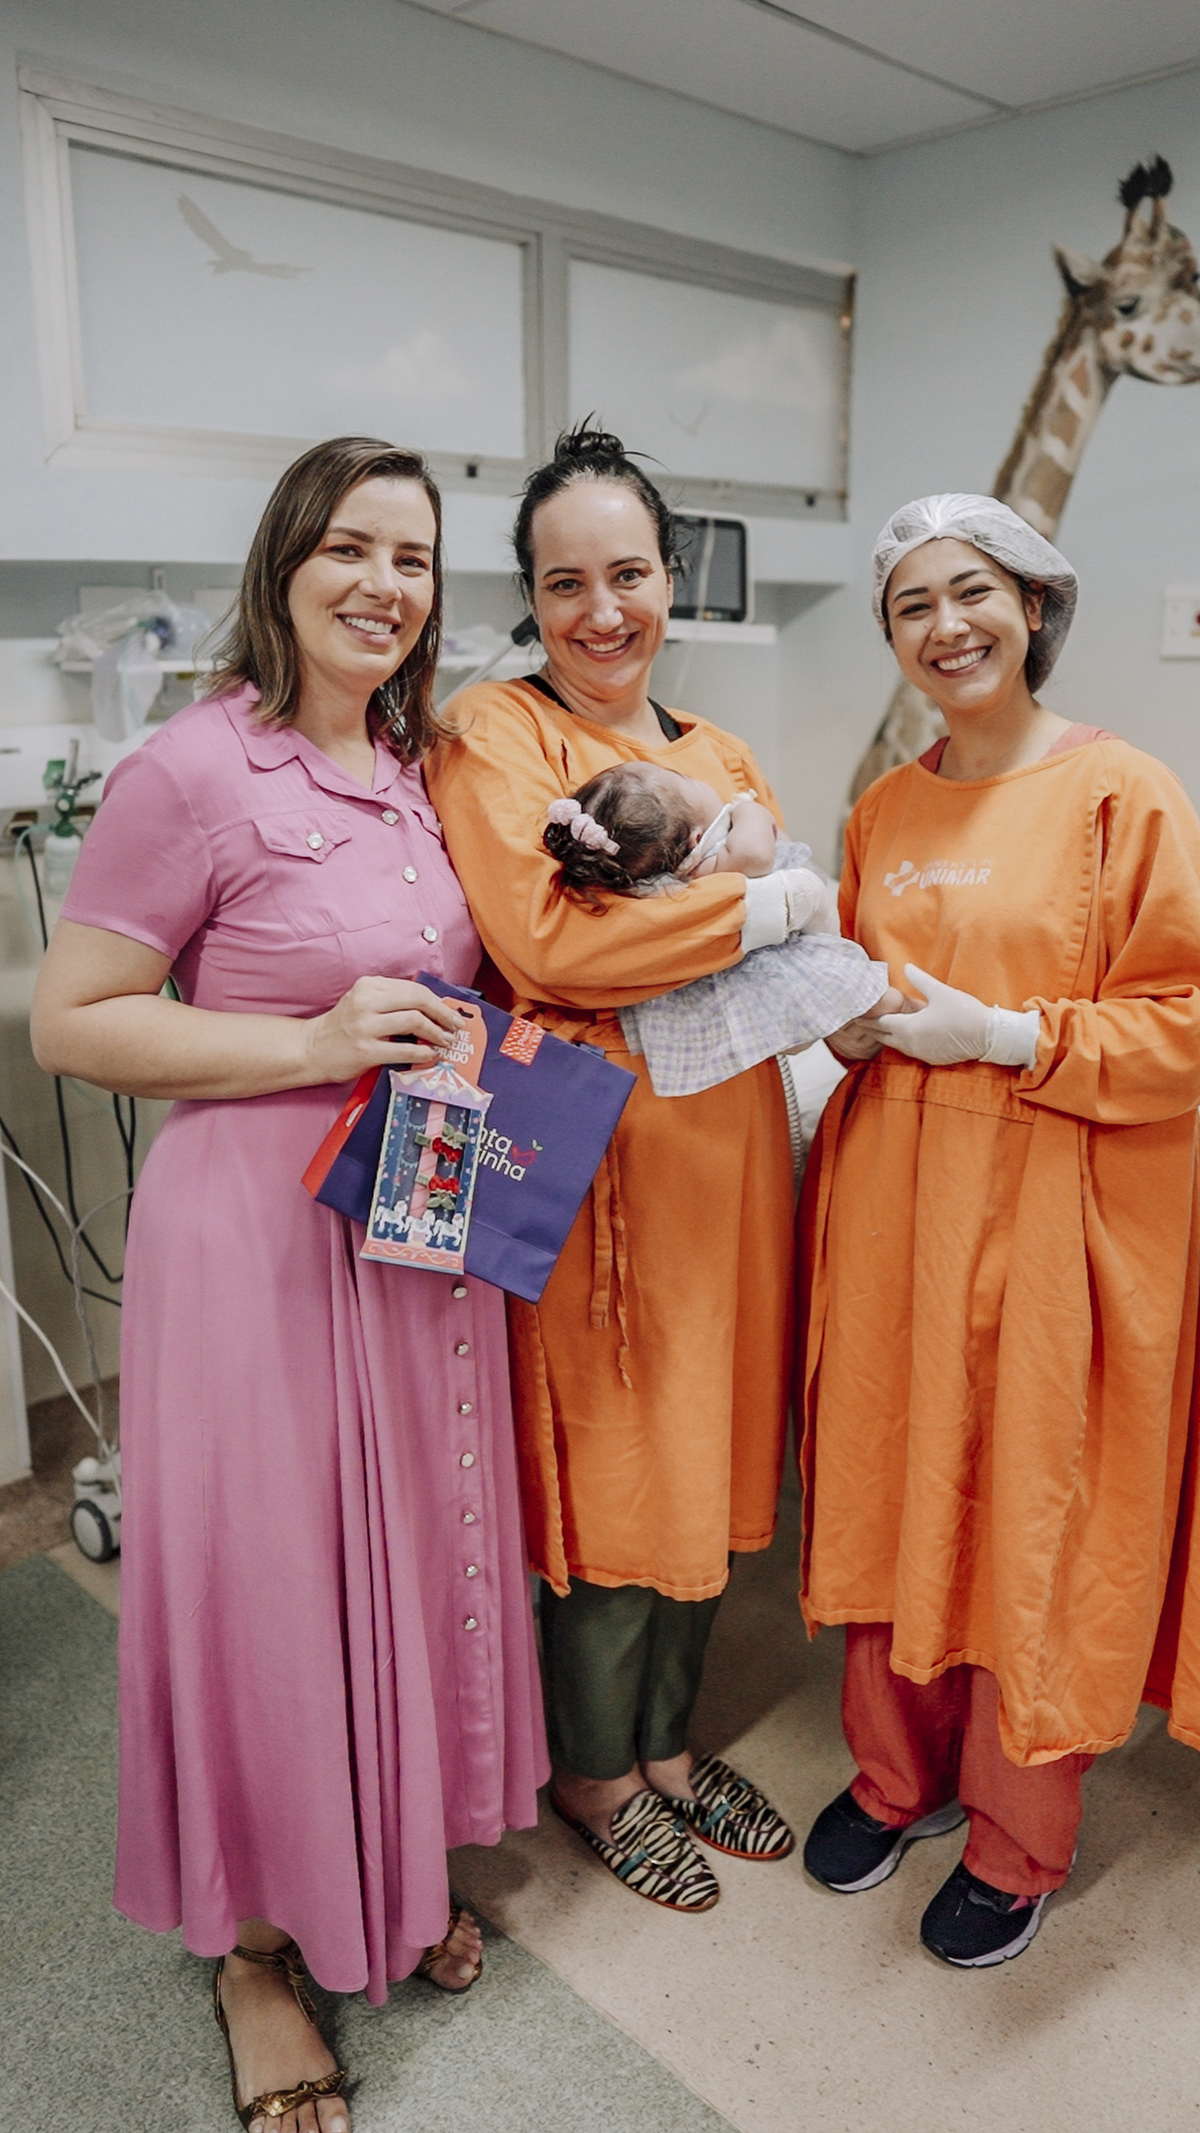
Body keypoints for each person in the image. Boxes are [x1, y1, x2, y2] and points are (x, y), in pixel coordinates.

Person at [31, 437, 548, 2131]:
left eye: (414, 556)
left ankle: (380, 1869)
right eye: (349, 546)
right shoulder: (191, 768)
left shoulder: (414, 770)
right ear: (284, 562)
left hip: (408, 1214)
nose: (383, 583)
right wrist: (311, 1042)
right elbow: (74, 1021)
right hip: (252, 1238)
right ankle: (256, 1948)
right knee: (272, 1578)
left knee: (394, 1547)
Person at [797, 493, 1200, 1968]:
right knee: (895, 1479)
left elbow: (1185, 1023)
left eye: (973, 592)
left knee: (1032, 1510)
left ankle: (1017, 1839)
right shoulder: (882, 813)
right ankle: (896, 1779)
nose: (945, 626)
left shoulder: (1124, 793)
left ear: (1034, 606)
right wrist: (839, 1024)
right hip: (897, 1206)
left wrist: (1013, 1034)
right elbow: (859, 994)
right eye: (911, 604)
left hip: (1053, 1204)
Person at [425, 424, 806, 1910]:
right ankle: (593, 1771)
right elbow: (548, 943)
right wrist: (755, 906)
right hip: (590, 1170)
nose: (602, 610)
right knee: (616, 1466)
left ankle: (665, 1748)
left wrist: (750, 916)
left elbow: (772, 937)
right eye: (565, 581)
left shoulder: (720, 753)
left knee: (714, 1448)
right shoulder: (497, 732)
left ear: (670, 577)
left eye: (629, 573)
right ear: (530, 594)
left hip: (731, 1163)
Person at [543, 761, 903, 1097]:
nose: (697, 778)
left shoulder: (647, 880)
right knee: (868, 991)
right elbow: (755, 857)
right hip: (777, 957)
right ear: (696, 839)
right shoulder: (713, 858)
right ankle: (901, 1016)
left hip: (753, 974)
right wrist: (749, 809)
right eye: (686, 780)